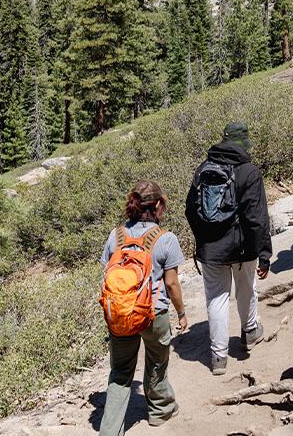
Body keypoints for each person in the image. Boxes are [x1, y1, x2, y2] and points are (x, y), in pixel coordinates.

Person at [99, 181, 187, 434]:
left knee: (120, 372)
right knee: (157, 361)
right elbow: (171, 283)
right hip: (153, 314)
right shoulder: (166, 238)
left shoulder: (115, 236)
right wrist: (181, 313)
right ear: (158, 205)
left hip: (121, 314)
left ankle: (110, 430)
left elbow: (108, 275)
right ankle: (160, 411)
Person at [186, 122, 272, 376]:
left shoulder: (202, 169)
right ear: (244, 142)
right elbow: (257, 218)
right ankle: (250, 332)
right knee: (246, 289)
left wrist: (203, 239)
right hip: (243, 248)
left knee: (216, 298)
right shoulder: (249, 172)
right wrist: (264, 252)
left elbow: (190, 210)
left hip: (211, 250)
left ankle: (218, 357)